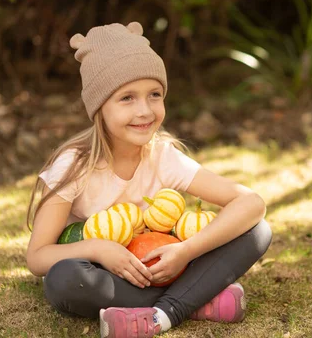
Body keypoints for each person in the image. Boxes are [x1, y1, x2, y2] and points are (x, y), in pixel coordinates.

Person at [25, 22, 272, 338]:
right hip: (106, 275)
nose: (144, 110)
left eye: (154, 95)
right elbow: (38, 257)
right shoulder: (73, 165)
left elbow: (251, 203)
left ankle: (161, 314)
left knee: (257, 230)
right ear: (100, 108)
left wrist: (186, 251)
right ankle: (195, 301)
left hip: (165, 267)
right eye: (126, 98)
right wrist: (99, 250)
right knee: (64, 280)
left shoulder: (162, 156)